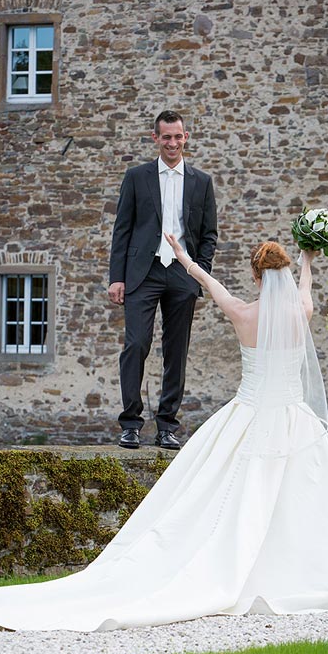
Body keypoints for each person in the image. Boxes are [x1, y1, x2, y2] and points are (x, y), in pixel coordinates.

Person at [0, 238, 328, 631]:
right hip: (293, 421)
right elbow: (305, 294)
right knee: (304, 499)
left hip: (248, 416)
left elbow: (209, 285)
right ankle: (303, 574)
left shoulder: (243, 314)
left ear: (258, 278)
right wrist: (307, 257)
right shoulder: (299, 314)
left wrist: (186, 260)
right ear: (283, 275)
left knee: (228, 496)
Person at [108, 109, 218, 450]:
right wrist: (117, 278)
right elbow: (122, 230)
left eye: (178, 136)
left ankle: (167, 426)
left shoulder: (202, 181)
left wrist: (199, 271)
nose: (173, 142)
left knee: (176, 351)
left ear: (187, 138)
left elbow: (209, 233)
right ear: (155, 138)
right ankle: (130, 424)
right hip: (144, 271)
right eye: (166, 136)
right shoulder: (137, 177)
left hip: (183, 273)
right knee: (136, 344)